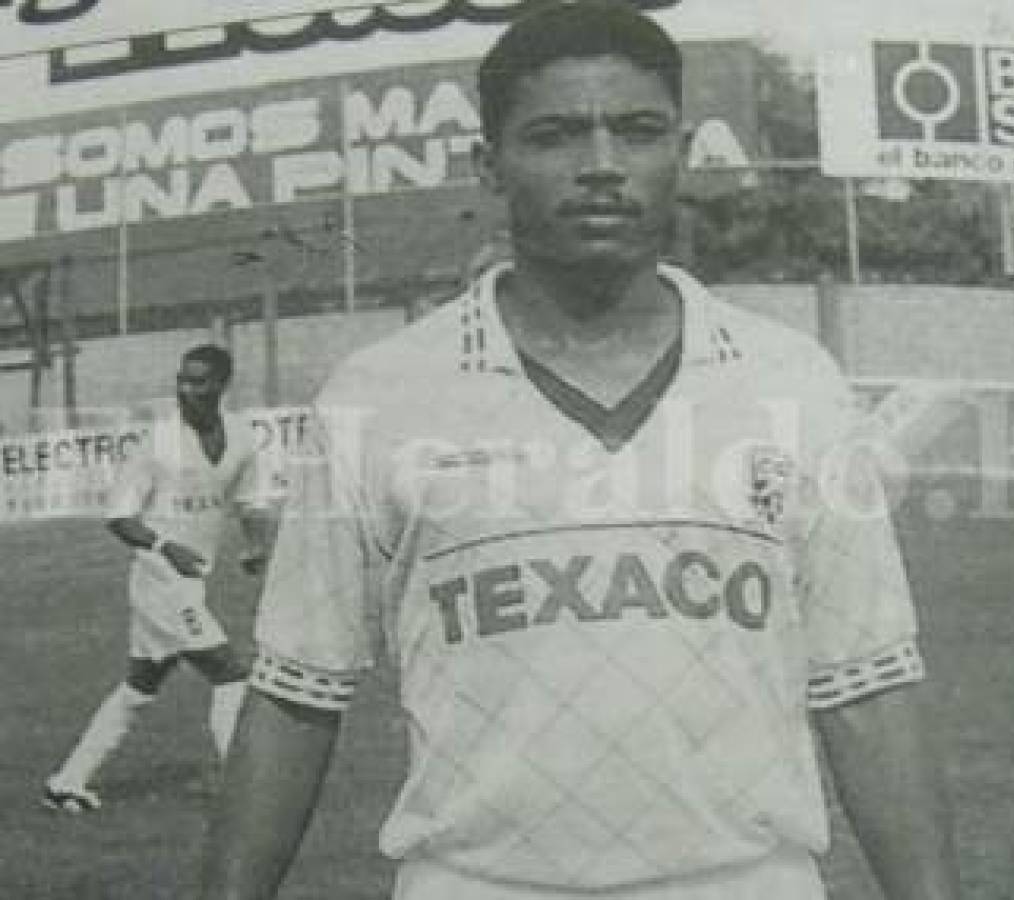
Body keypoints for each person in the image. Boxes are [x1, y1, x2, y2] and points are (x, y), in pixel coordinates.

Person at [200, 3, 960, 898]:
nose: (601, 166)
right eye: (556, 135)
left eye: (636, 131)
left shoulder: (793, 382)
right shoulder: (381, 393)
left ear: (680, 150)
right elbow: (295, 695)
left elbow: (866, 687)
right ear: (490, 164)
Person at [43, 344, 272, 813]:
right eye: (182, 380)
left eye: (199, 381)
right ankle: (242, 791)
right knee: (232, 674)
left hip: (190, 584)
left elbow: (252, 500)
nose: (187, 390)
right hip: (159, 581)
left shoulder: (243, 437)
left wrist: (255, 546)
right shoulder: (158, 442)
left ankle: (67, 782)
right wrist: (167, 547)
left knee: (139, 686)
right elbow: (118, 516)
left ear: (221, 385)